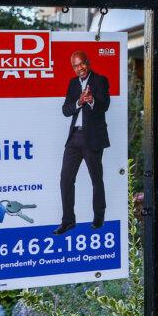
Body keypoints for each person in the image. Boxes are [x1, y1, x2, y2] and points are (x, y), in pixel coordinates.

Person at [55, 50, 111, 234]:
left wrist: (92, 100)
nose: (80, 68)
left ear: (88, 62)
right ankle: (68, 221)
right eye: (76, 66)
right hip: (74, 137)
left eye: (82, 64)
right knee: (65, 180)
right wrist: (79, 102)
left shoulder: (100, 80)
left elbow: (105, 106)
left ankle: (99, 218)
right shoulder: (72, 84)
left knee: (96, 179)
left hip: (93, 137)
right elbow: (65, 110)